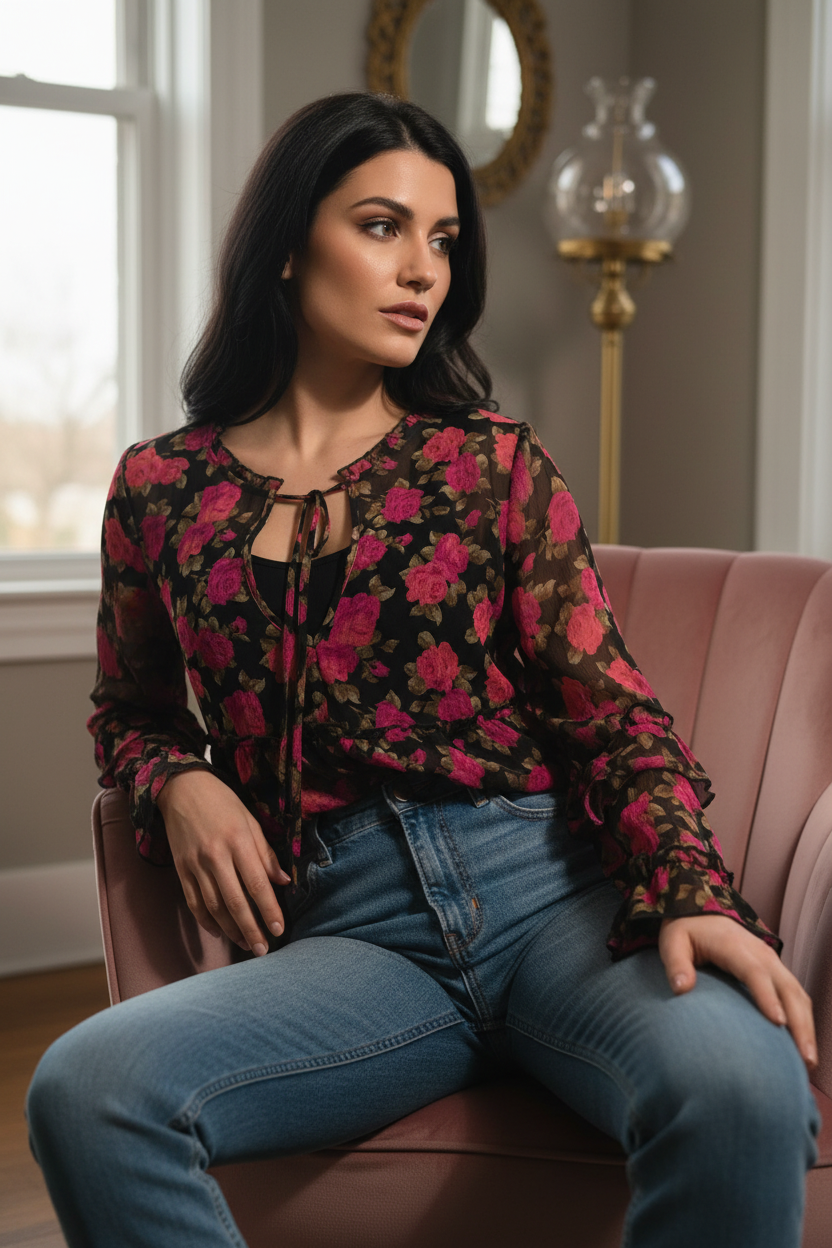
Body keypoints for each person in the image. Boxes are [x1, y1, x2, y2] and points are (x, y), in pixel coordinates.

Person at [28, 92, 819, 1248]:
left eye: (444, 239)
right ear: (292, 246)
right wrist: (177, 781)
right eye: (383, 227)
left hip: (559, 899)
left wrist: (690, 893)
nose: (423, 272)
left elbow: (613, 715)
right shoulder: (161, 489)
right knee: (86, 1091)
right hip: (350, 941)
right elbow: (130, 713)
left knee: (743, 1085)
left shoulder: (492, 461)